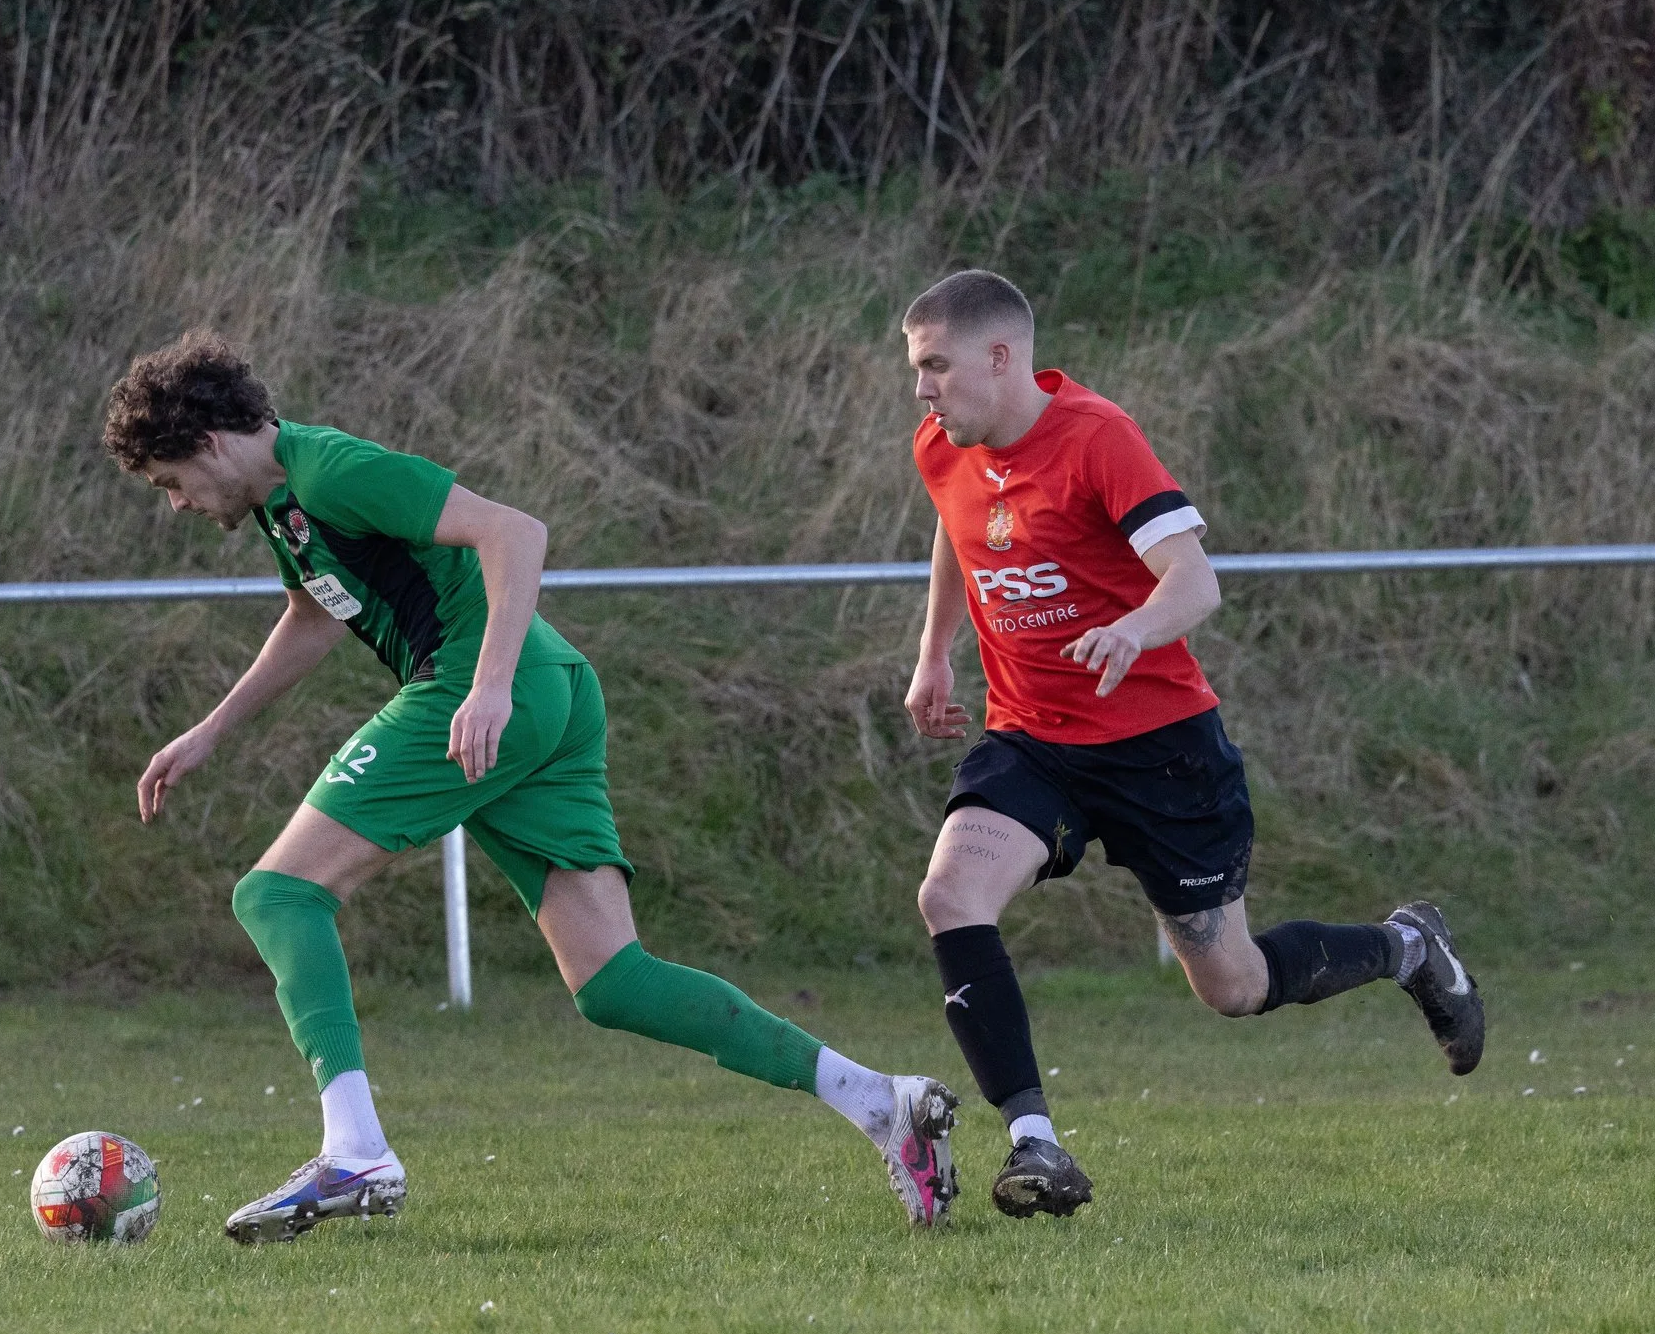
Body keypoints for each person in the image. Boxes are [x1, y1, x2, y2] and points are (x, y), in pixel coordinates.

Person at [101, 331, 960, 1240]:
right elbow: (314, 614)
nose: (176, 505)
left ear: (207, 444)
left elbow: (514, 531)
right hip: (548, 691)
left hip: (486, 686)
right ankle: (881, 1103)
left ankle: (354, 1150)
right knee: (614, 983)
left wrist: (488, 686)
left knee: (277, 893)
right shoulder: (288, 508)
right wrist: (210, 731)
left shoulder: (330, 470)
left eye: (168, 482)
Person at [897, 271, 1485, 1220]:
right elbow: (954, 524)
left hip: (1159, 748)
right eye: (915, 369)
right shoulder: (944, 443)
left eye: (935, 366)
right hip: (1032, 741)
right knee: (950, 895)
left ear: (999, 357)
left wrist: (1134, 629)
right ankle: (1035, 1142)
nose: (921, 388)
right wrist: (933, 654)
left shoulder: (1097, 438)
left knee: (1234, 985)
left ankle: (1410, 948)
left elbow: (1194, 582)